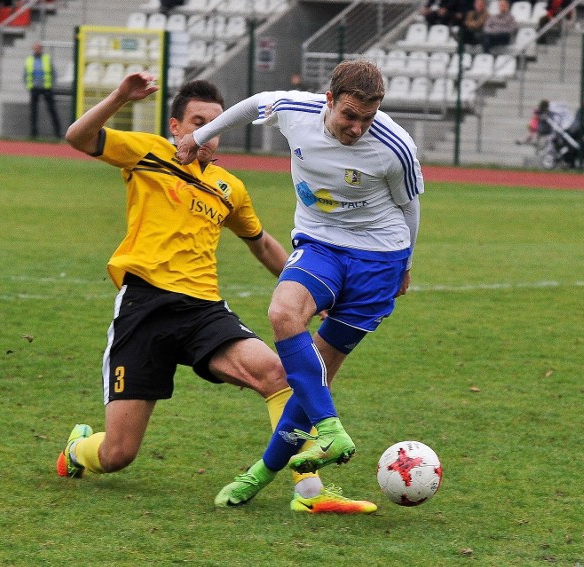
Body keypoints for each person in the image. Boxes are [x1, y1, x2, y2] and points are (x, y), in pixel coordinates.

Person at [57, 72, 378, 515]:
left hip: (203, 311)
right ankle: (78, 449)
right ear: (175, 126)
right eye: (196, 122)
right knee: (117, 455)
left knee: (279, 375)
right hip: (144, 308)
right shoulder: (149, 153)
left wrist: (313, 292)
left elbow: (262, 244)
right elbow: (78, 137)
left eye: (215, 124)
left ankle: (309, 490)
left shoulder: (230, 188)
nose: (205, 134)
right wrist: (118, 96)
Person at [177, 59, 424, 508]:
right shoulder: (295, 110)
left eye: (367, 119)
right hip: (320, 244)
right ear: (328, 100)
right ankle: (330, 431)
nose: (356, 128)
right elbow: (252, 104)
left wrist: (405, 263)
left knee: (316, 375)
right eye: (349, 115)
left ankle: (258, 475)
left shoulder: (395, 146)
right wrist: (194, 138)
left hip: (378, 258)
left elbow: (409, 209)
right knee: (281, 313)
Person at [24, 41, 63, 139]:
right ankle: (33, 133)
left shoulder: (47, 59)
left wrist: (51, 85)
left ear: (41, 49)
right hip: (34, 88)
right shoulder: (29, 60)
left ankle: (58, 133)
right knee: (33, 112)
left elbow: (53, 73)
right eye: (35, 48)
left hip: (47, 88)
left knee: (52, 110)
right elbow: (25, 74)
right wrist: (28, 86)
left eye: (38, 48)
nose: (37, 50)